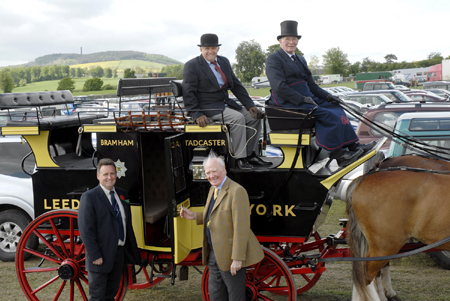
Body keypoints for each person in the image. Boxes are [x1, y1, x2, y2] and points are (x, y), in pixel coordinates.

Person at [266, 20, 376, 166]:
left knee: (337, 109)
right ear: (280, 41)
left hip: (307, 96)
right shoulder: (274, 59)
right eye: (287, 39)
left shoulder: (300, 59)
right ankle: (337, 154)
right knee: (326, 114)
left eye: (294, 39)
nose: (291, 42)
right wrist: (301, 99)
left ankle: (353, 146)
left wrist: (329, 97)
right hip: (287, 100)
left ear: (297, 41)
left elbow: (312, 85)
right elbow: (279, 87)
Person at [179, 151, 264, 300]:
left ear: (224, 169)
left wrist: (237, 258)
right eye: (208, 173)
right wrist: (194, 216)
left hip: (230, 256)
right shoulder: (213, 188)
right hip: (214, 254)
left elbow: (241, 227)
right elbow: (216, 215)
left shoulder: (237, 191)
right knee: (216, 295)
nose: (211, 176)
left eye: (214, 171)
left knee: (235, 297)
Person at [182, 33, 271, 170]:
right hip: (207, 107)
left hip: (224, 104)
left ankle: (251, 154)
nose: (210, 51)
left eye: (213, 48)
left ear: (218, 49)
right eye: (207, 48)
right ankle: (240, 159)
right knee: (238, 118)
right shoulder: (192, 66)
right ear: (201, 50)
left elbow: (236, 85)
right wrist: (197, 114)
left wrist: (250, 105)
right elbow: (188, 93)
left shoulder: (224, 62)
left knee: (254, 117)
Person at [78, 158, 141, 301]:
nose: (109, 177)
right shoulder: (89, 197)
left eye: (112, 174)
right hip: (100, 256)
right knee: (97, 297)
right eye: (105, 174)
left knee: (111, 294)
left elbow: (126, 223)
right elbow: (86, 229)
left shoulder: (122, 194)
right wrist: (95, 255)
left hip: (118, 254)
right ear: (98, 176)